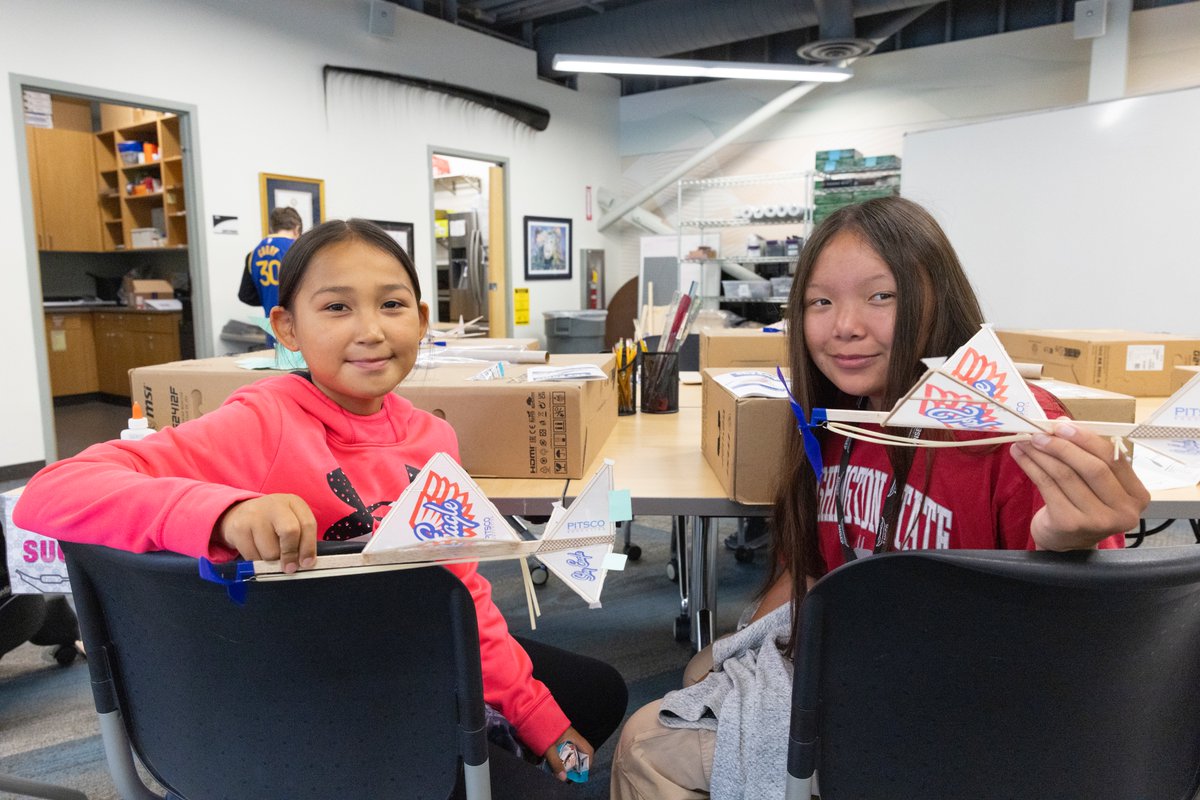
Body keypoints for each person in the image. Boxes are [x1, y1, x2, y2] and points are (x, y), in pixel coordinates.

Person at [16, 218, 626, 782]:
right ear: (287, 328)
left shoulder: (432, 436)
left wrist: (533, 714)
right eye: (336, 307)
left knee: (599, 694)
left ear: (420, 318)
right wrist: (222, 512)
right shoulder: (265, 421)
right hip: (317, 688)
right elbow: (52, 492)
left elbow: (461, 593)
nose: (370, 330)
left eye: (392, 305)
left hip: (411, 652)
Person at [609, 196, 1149, 800]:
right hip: (864, 661)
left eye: (880, 296)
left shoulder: (1011, 428)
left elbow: (1081, 652)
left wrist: (1065, 547)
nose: (845, 325)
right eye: (821, 301)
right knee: (699, 668)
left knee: (643, 743)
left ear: (936, 298)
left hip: (955, 709)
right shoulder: (846, 419)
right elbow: (813, 567)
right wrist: (742, 655)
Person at [239, 206, 303, 343]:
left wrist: (268, 297)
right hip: (300, 333)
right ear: (297, 228)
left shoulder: (252, 255)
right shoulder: (299, 250)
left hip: (273, 332)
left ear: (272, 228)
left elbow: (245, 295)